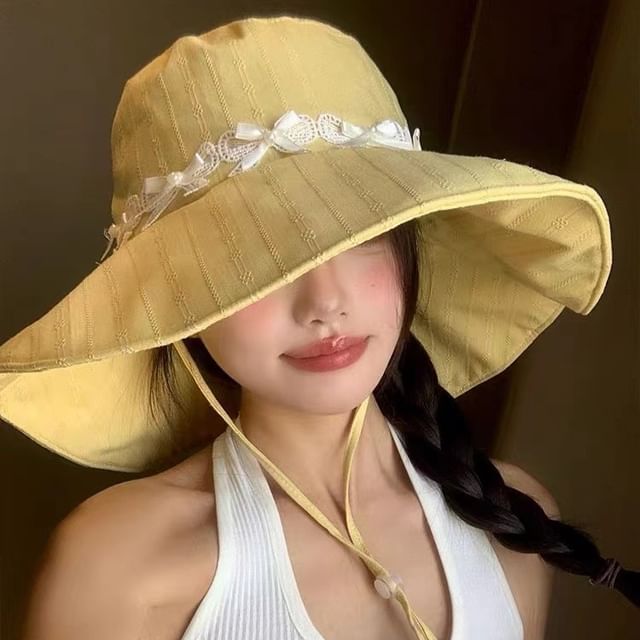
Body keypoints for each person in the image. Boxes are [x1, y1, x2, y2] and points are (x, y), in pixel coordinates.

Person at [2, 14, 637, 640]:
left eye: (359, 236)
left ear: (406, 247)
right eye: (252, 256)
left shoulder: (515, 529)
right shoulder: (118, 570)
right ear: (175, 301)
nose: (325, 303)